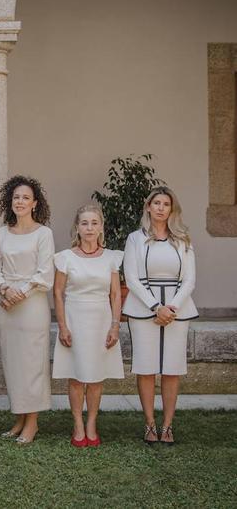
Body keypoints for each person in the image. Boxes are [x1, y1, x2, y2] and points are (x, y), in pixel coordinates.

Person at [123, 186, 197, 445]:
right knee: (145, 368)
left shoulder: (183, 239)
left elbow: (189, 280)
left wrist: (172, 308)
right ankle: (149, 424)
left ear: (172, 209)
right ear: (148, 206)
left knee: (171, 369)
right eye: (156, 203)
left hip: (177, 310)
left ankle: (167, 425)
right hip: (144, 309)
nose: (161, 208)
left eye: (166, 204)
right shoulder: (134, 239)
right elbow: (131, 278)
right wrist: (156, 307)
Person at [52, 205, 124, 447]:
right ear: (77, 227)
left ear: (101, 226)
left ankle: (92, 422)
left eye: (94, 223)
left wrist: (115, 325)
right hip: (74, 318)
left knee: (95, 377)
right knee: (75, 376)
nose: (89, 228)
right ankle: (77, 424)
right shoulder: (66, 257)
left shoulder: (111, 257)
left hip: (101, 320)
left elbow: (115, 294)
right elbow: (58, 292)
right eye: (85, 223)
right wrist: (62, 326)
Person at [0, 175, 54, 445]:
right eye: (16, 197)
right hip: (6, 304)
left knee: (32, 364)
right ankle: (19, 417)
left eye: (25, 197)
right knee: (13, 363)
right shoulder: (3, 232)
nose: (20, 201)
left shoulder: (43, 234)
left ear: (34, 203)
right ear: (10, 201)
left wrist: (21, 293)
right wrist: (5, 288)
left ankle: (33, 422)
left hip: (32, 305)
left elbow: (45, 272)